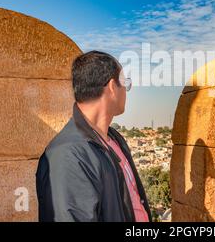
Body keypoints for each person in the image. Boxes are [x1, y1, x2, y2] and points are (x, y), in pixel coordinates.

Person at [36, 51, 152, 222]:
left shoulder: (115, 140)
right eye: (125, 83)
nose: (126, 91)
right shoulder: (68, 155)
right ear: (112, 87)